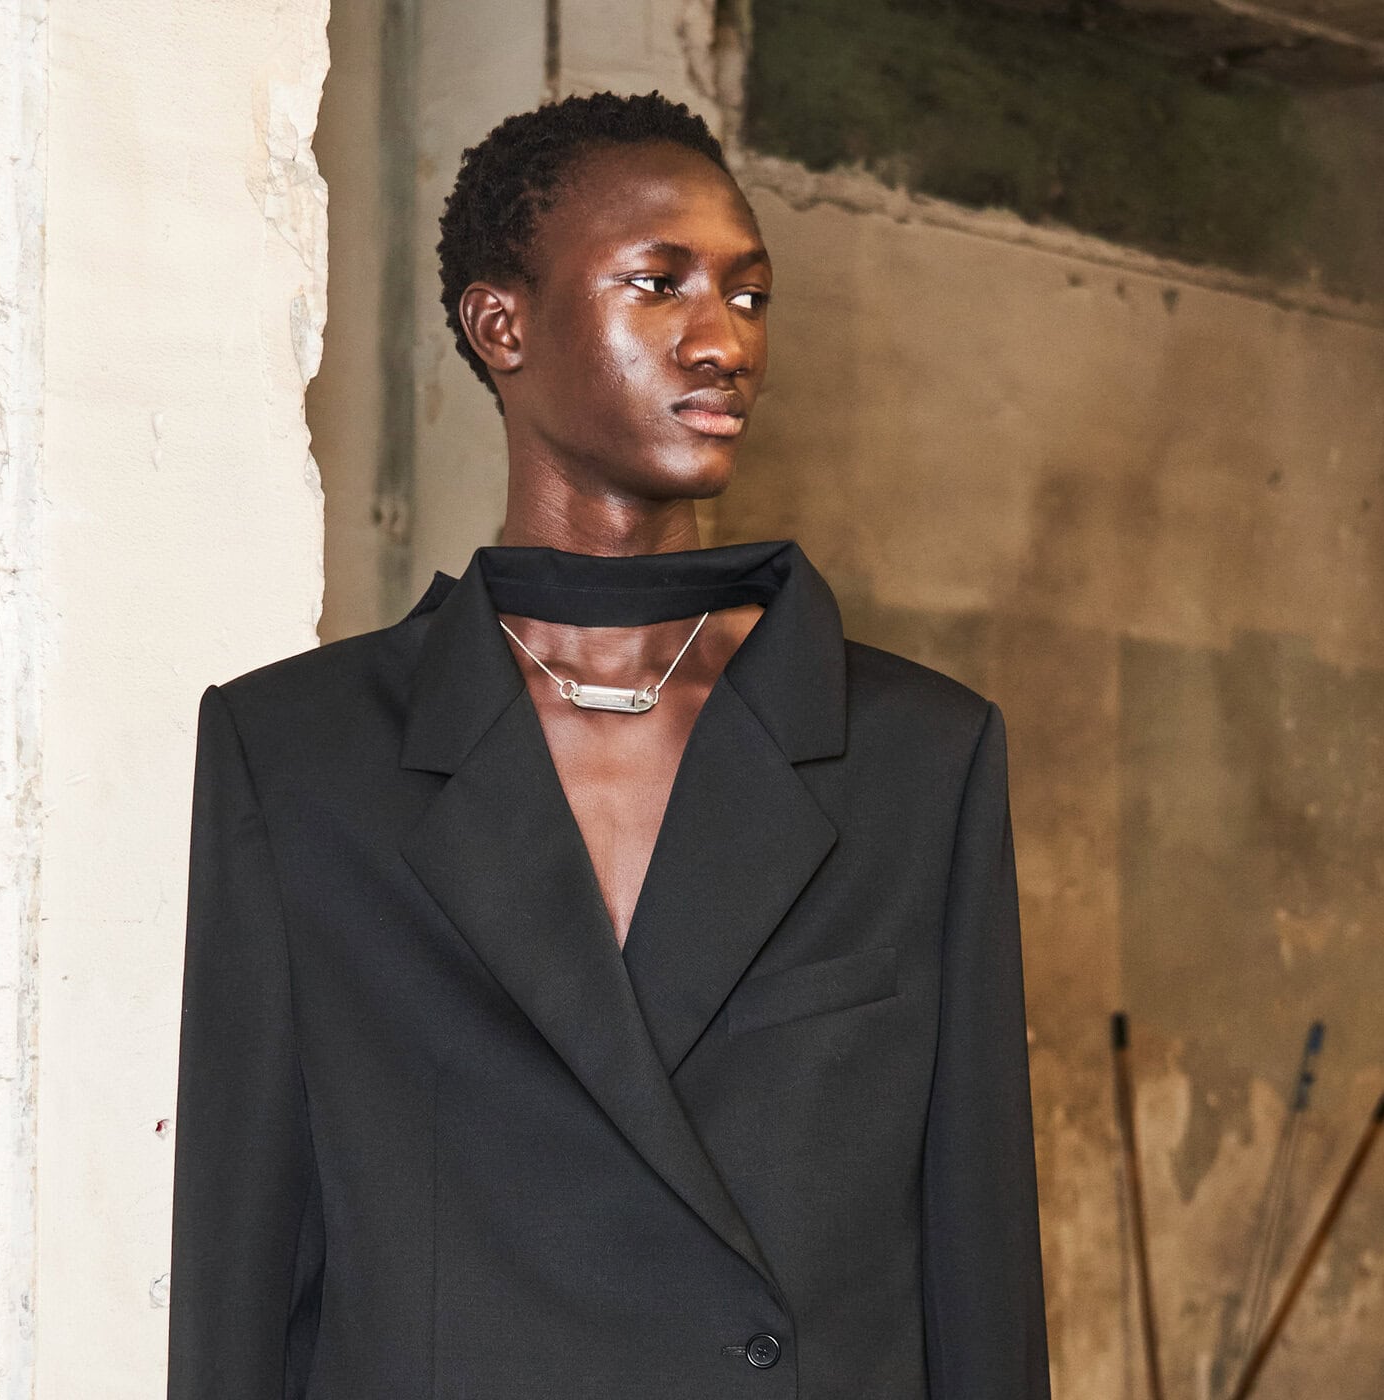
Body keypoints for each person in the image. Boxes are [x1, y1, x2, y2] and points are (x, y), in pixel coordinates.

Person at [166, 90, 1050, 1399]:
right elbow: (243, 1263)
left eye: (749, 296)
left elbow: (979, 1264)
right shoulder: (299, 755)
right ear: (502, 325)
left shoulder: (918, 755)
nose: (723, 341)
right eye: (658, 284)